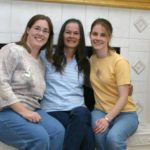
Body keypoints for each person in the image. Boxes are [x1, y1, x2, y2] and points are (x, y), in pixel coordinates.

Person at [0, 14, 65, 150]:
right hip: (5, 110)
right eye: (37, 28)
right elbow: (1, 83)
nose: (41, 33)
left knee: (58, 131)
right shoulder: (13, 50)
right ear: (28, 30)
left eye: (45, 31)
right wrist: (24, 111)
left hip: (32, 108)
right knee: (39, 138)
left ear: (49, 36)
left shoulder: (41, 62)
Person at [40, 18, 95, 150]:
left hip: (78, 109)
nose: (71, 36)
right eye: (68, 32)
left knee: (82, 114)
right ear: (62, 35)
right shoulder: (47, 55)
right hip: (53, 110)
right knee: (88, 141)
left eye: (76, 33)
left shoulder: (85, 62)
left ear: (80, 37)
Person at [89, 18, 139, 150]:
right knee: (99, 135)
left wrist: (107, 119)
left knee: (113, 138)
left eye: (103, 34)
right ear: (90, 35)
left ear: (109, 37)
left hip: (125, 113)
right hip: (100, 110)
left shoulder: (120, 62)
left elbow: (124, 96)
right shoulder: (92, 60)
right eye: (95, 34)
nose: (98, 38)